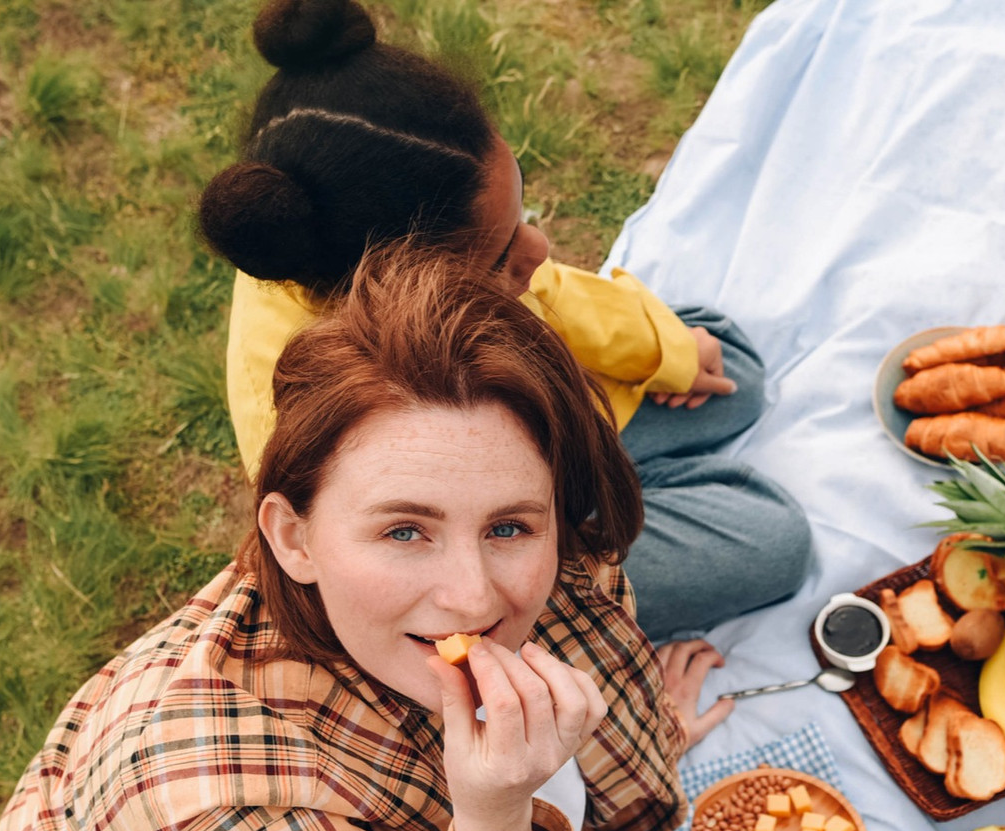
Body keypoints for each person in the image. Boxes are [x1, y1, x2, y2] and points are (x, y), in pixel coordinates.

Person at [0, 246, 734, 831]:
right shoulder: (216, 812)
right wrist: (493, 821)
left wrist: (627, 737)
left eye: (510, 525)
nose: (474, 595)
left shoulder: (552, 557)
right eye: (405, 532)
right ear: (294, 538)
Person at [198, 0, 811, 641]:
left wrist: (666, 349)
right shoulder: (318, 423)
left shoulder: (348, 240)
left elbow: (546, 293)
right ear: (398, 298)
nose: (539, 250)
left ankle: (616, 482)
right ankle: (601, 508)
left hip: (546, 421)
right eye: (500, 255)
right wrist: (541, 534)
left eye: (519, 208)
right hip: (504, 521)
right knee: (774, 541)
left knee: (728, 365)